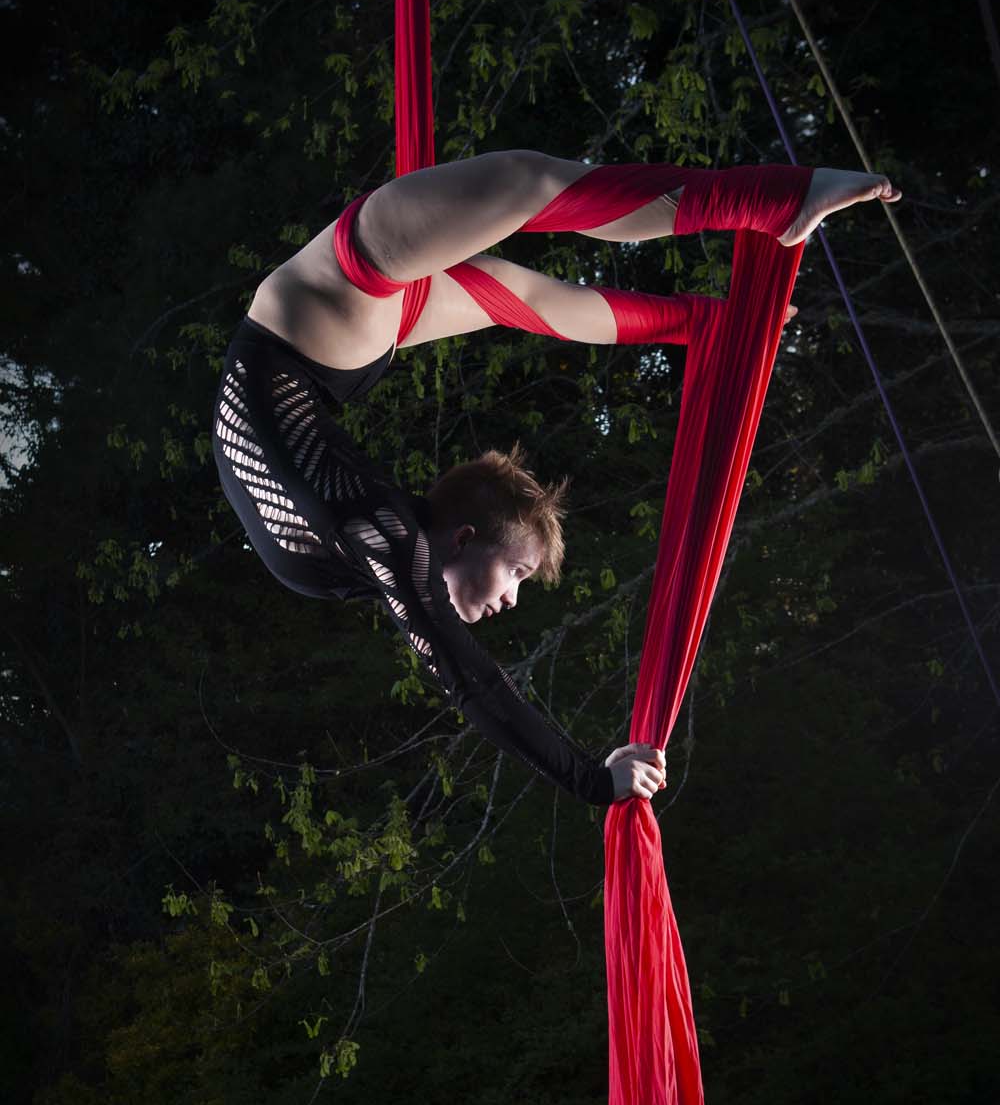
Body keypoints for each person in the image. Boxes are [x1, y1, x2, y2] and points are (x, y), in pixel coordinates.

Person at [212, 151, 900, 805]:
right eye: (520, 575)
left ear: (465, 537)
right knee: (540, 301)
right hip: (347, 331)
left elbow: (470, 679)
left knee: (533, 185)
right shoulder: (387, 538)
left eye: (514, 572)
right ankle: (710, 321)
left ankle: (775, 200)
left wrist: (594, 783)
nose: (513, 597)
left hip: (339, 288)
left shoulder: (384, 538)